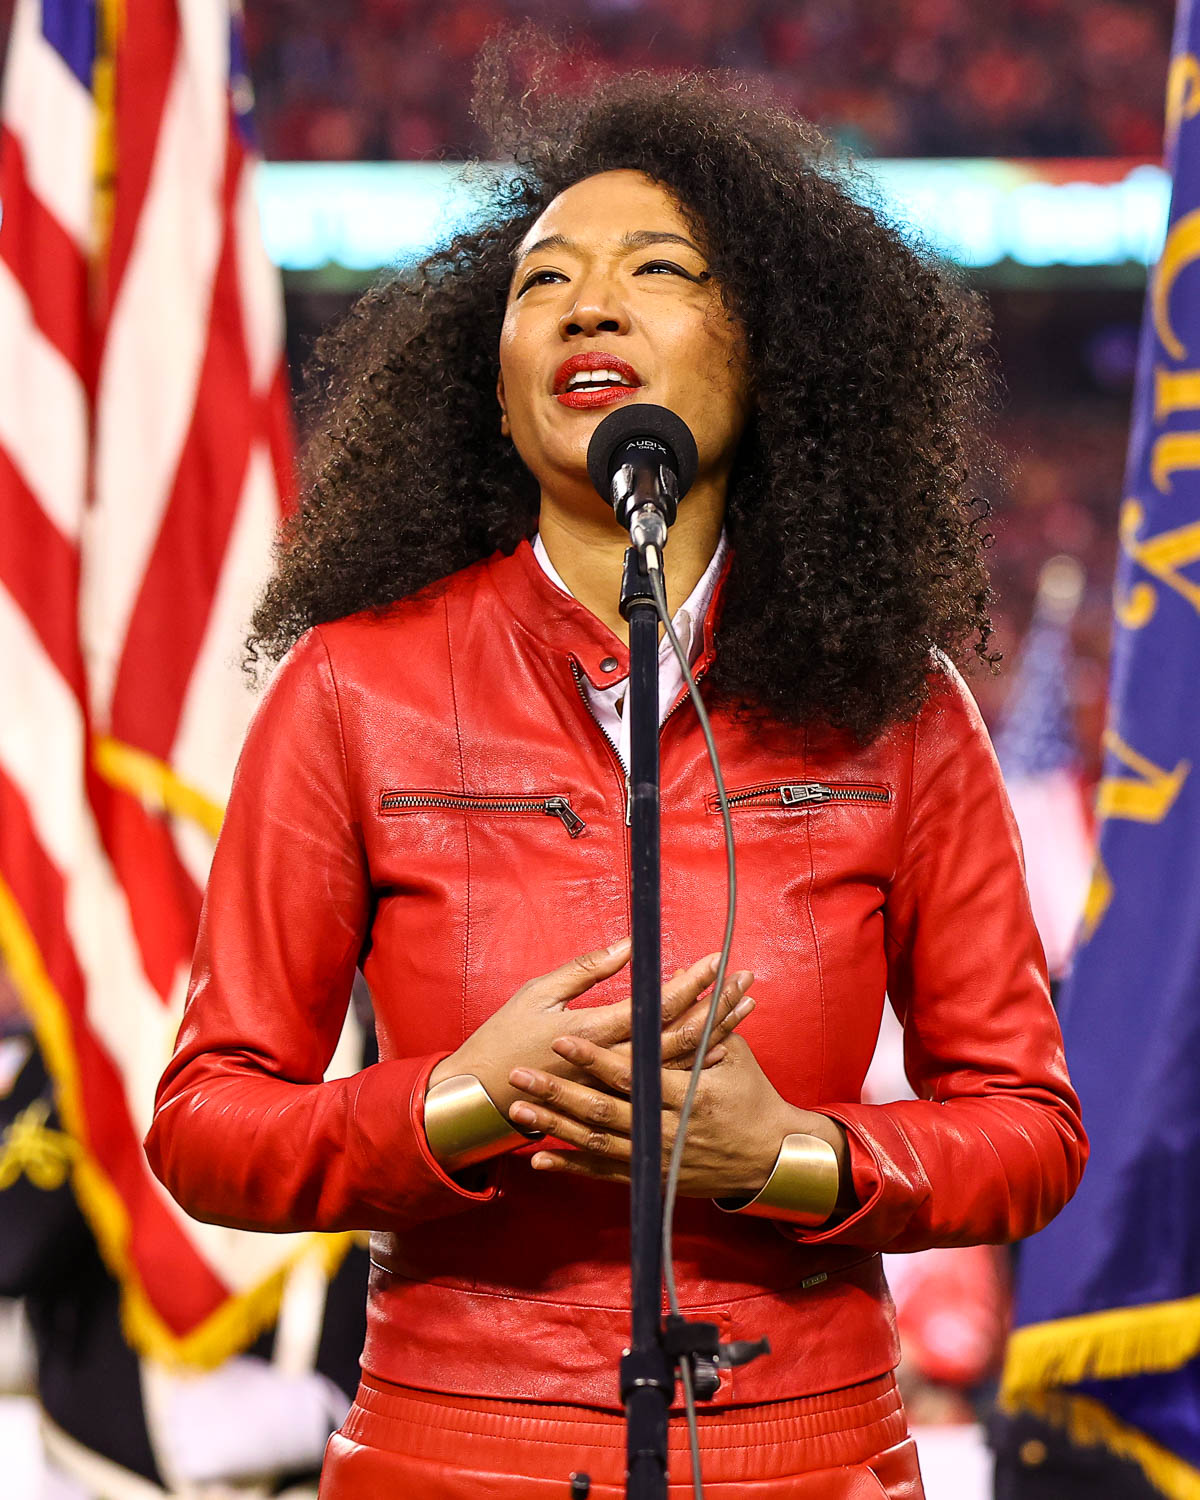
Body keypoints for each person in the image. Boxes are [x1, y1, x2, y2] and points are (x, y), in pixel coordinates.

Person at [145, 56, 1087, 1499]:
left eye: (660, 269)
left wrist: (790, 1159)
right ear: (501, 392)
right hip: (452, 1456)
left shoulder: (899, 707)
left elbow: (1027, 1130)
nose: (587, 302)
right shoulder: (350, 688)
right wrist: (462, 1099)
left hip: (814, 1457)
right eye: (541, 282)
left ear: (767, 354)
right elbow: (209, 1122)